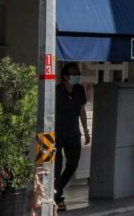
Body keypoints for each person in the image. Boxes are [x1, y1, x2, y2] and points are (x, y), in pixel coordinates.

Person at [54, 63, 90, 211]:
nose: (76, 76)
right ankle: (59, 197)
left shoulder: (79, 90)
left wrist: (86, 131)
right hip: (56, 133)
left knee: (73, 164)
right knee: (55, 166)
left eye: (77, 74)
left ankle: (55, 190)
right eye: (73, 74)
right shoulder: (56, 90)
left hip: (73, 132)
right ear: (65, 76)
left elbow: (82, 111)